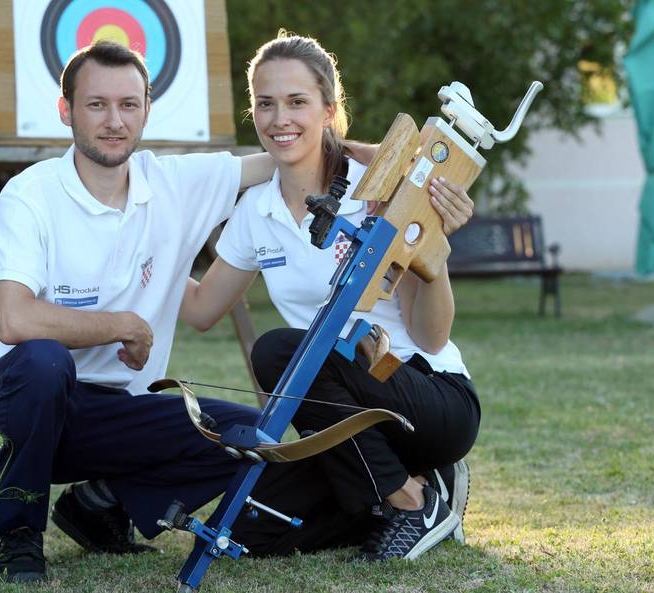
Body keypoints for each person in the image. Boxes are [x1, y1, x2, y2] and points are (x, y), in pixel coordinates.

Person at [0, 39, 378, 582]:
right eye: (96, 104)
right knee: (43, 360)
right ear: (67, 111)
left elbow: (287, 148)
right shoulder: (30, 194)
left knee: (250, 435)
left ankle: (102, 503)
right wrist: (121, 325)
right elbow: (13, 320)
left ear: (146, 110)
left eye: (129, 105)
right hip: (4, 412)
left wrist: (366, 155)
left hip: (106, 417)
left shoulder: (175, 184)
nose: (114, 121)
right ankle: (18, 536)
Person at [180, 32, 481, 561]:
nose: (280, 119)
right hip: (339, 420)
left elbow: (432, 336)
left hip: (426, 396)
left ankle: (411, 502)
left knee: (278, 350)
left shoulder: (385, 187)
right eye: (266, 104)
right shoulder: (256, 209)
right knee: (252, 535)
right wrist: (142, 248)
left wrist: (434, 254)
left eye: (297, 102)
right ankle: (420, 491)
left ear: (329, 109)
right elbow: (203, 308)